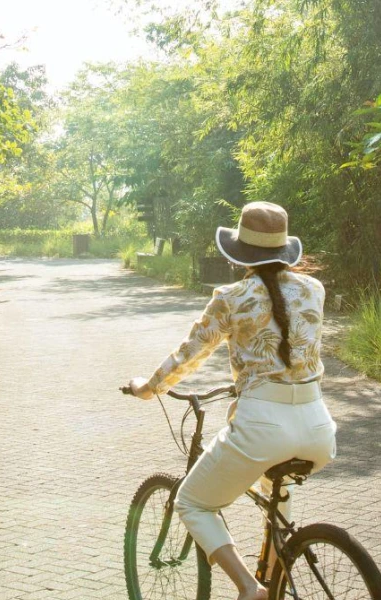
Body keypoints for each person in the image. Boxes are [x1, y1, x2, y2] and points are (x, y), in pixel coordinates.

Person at [127, 201, 337, 600]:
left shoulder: (231, 296)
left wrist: (149, 387)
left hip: (262, 425)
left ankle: (249, 588)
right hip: (318, 429)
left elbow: (188, 354)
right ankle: (276, 578)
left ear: (242, 253)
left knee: (191, 502)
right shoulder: (315, 289)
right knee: (276, 489)